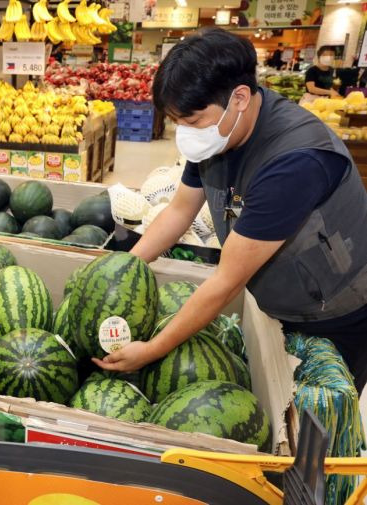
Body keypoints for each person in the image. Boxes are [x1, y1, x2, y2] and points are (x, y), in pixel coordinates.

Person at [95, 28, 367, 393]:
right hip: (275, 297)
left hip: (333, 314)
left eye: (193, 121)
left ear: (239, 97)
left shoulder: (294, 161)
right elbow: (179, 212)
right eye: (178, 122)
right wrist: (121, 269)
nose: (185, 133)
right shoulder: (219, 134)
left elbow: (226, 281)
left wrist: (152, 350)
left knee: (313, 418)